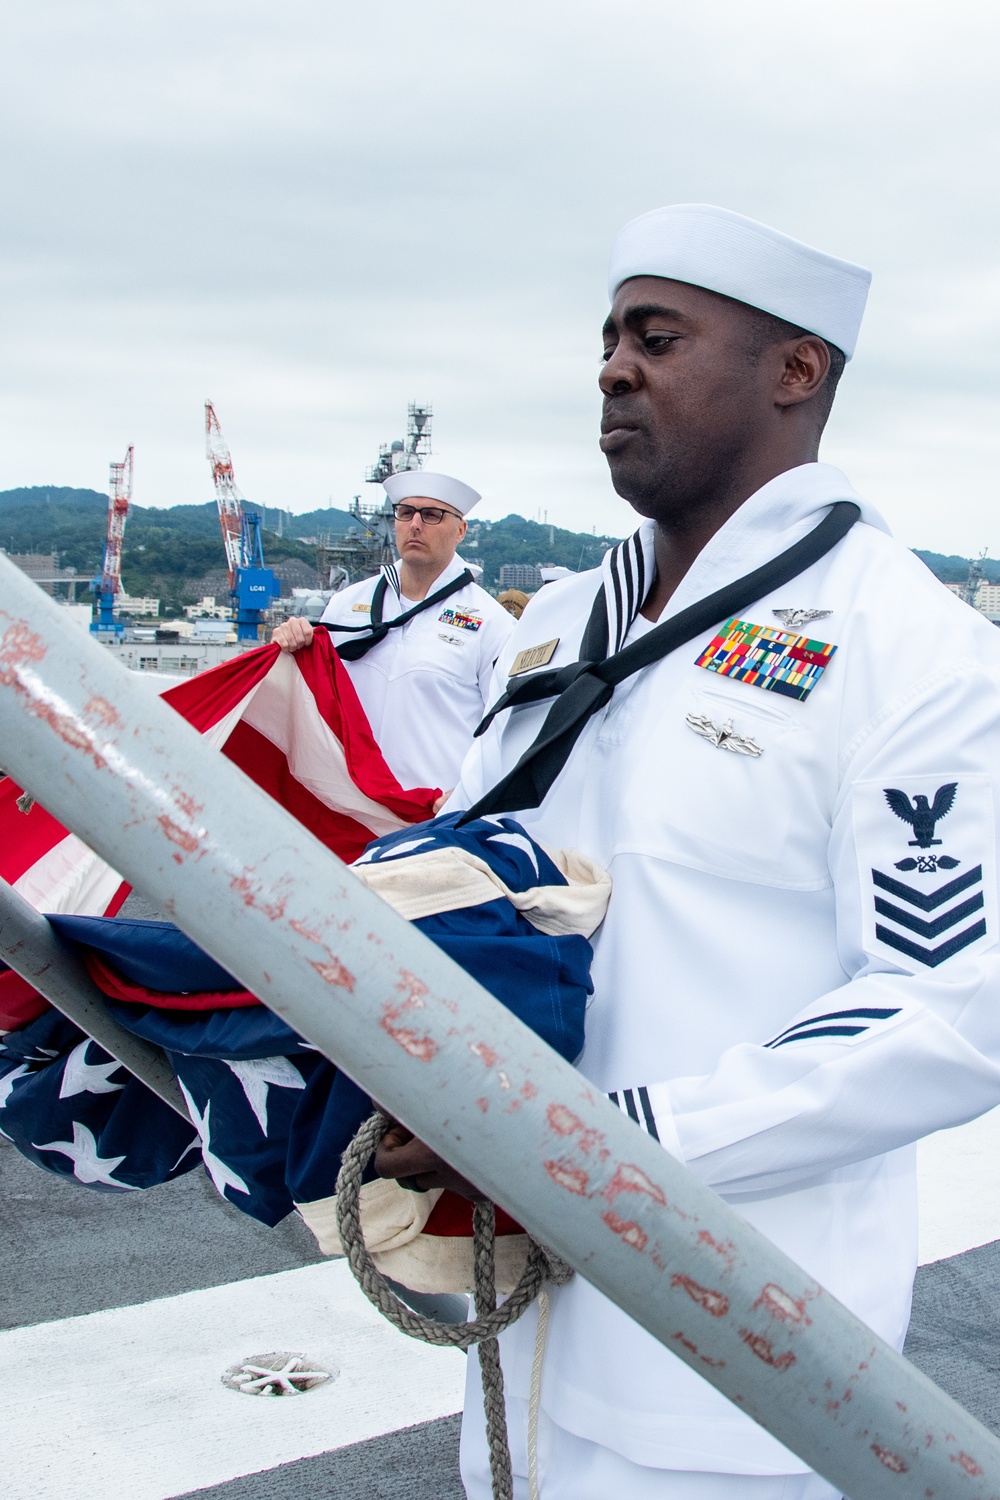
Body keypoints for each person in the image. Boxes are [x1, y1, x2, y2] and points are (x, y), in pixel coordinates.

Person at [373, 204, 1000, 1498]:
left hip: (738, 1376)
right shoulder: (552, 625)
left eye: (656, 337)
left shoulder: (914, 652)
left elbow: (945, 1012)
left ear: (795, 370)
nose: (613, 367)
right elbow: (466, 887)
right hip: (520, 1340)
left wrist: (601, 1141)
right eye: (608, 338)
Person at [272, 471, 513, 790]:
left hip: (434, 818)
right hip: (349, 805)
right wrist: (286, 652)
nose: (415, 524)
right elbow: (310, 698)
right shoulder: (346, 604)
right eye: (405, 512)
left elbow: (506, 733)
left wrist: (467, 795)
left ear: (460, 530)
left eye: (431, 515)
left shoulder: (492, 624)